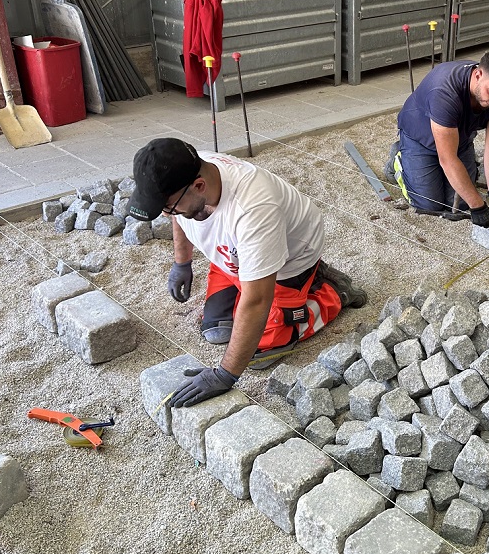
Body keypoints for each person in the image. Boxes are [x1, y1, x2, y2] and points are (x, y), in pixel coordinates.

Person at [128, 138, 367, 407]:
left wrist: (225, 375)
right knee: (216, 332)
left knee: (260, 352)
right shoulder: (189, 170)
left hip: (287, 263)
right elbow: (178, 215)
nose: (166, 214)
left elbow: (256, 300)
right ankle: (260, 282)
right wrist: (181, 263)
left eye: (168, 207)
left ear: (199, 186)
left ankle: (332, 292)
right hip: (236, 256)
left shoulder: (254, 209)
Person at [387, 48, 489, 228]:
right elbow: (447, 159)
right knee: (429, 205)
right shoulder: (445, 91)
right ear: (478, 75)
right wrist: (478, 207)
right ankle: (399, 159)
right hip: (420, 140)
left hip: (459, 141)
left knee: (460, 204)